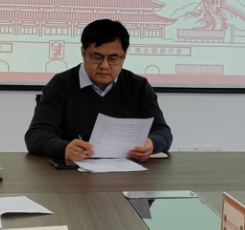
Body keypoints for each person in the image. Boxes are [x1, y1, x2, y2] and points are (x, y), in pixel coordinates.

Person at [25, 19, 172, 164]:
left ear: (124, 56)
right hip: (73, 172)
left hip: (127, 171)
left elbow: (163, 133)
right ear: (83, 53)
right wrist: (64, 148)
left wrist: (151, 144)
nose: (105, 65)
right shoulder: (60, 84)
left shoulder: (138, 86)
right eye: (97, 57)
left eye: (113, 58)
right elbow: (35, 135)